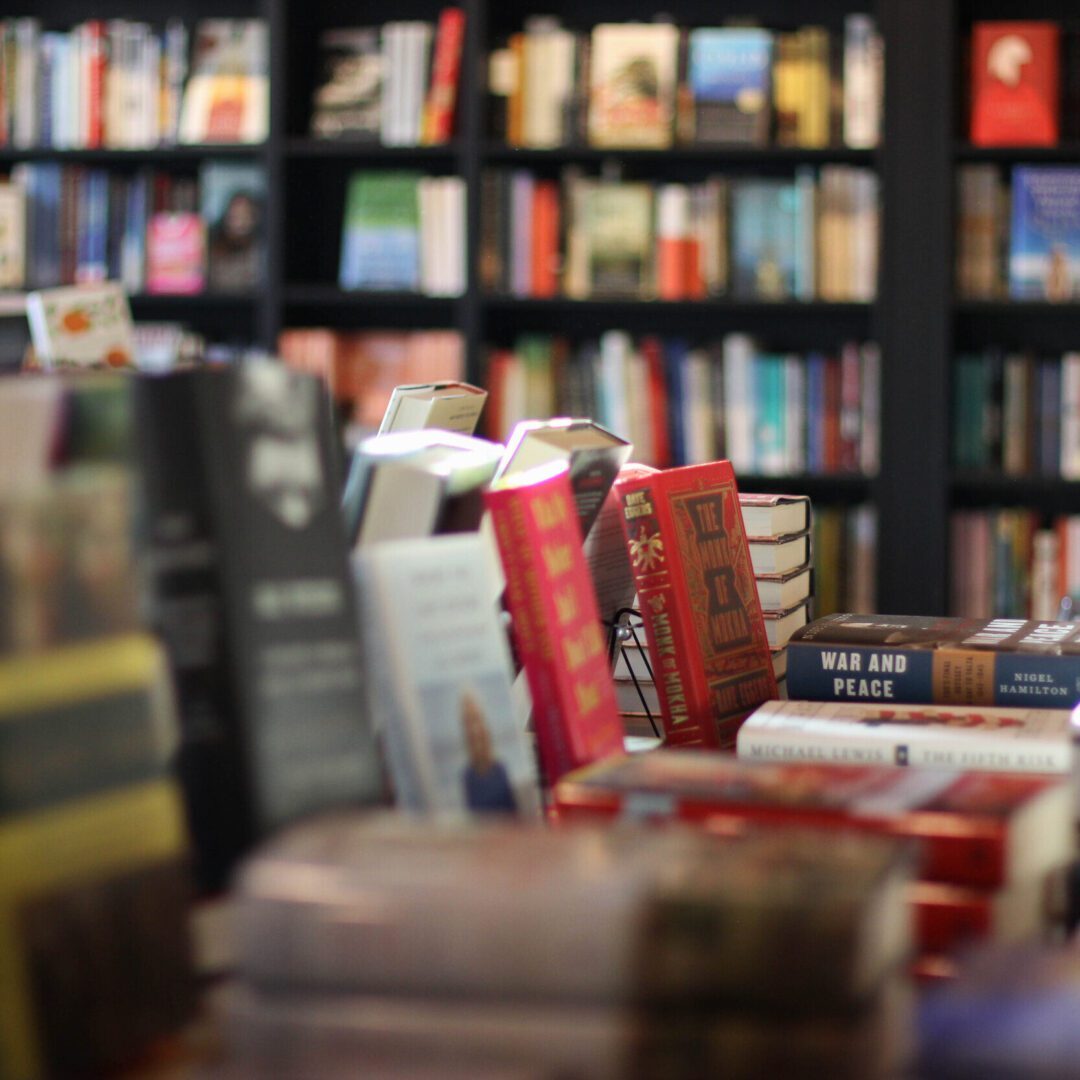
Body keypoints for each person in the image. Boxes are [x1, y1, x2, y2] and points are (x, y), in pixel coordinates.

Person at [460, 691, 517, 814]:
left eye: (476, 719)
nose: (474, 730)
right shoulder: (469, 777)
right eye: (468, 722)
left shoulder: (500, 769)